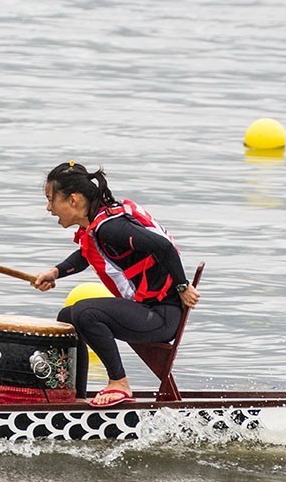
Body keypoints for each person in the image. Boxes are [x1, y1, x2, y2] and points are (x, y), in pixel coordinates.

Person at [31, 162, 200, 407]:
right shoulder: (100, 225)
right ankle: (75, 394)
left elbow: (162, 246)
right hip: (150, 312)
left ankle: (119, 383)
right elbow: (86, 254)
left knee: (85, 312)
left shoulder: (111, 228)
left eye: (50, 200)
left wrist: (183, 287)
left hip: (161, 316)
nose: (48, 208)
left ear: (73, 200)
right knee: (67, 316)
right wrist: (55, 272)